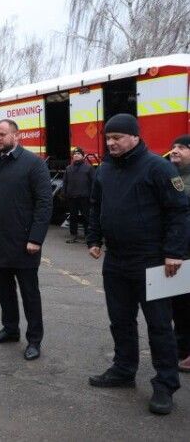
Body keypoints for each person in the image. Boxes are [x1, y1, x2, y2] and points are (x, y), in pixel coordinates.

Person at [86, 114, 187, 415]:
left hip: (154, 261)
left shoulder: (159, 168)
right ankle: (123, 369)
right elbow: (96, 205)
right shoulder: (104, 169)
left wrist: (174, 252)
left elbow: (179, 211)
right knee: (120, 320)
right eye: (108, 137)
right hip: (116, 260)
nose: (111, 143)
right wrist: (93, 238)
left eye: (117, 137)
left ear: (134, 137)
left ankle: (165, 384)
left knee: (159, 325)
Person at [0, 119, 52, 361]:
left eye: (2, 134)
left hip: (25, 243)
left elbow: (44, 204)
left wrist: (36, 238)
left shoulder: (33, 164)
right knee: (5, 291)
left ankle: (34, 339)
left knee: (29, 294)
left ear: (17, 136)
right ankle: (10, 329)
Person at [167, 134, 190, 373]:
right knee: (179, 306)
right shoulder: (171, 176)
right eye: (173, 147)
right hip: (177, 253)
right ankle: (182, 348)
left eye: (181, 147)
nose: (174, 151)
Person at [62, 147, 95, 243]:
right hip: (72, 197)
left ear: (83, 156)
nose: (76, 155)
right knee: (73, 217)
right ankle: (73, 235)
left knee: (86, 217)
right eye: (75, 154)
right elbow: (65, 182)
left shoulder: (89, 168)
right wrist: (64, 193)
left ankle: (88, 236)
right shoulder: (68, 168)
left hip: (85, 197)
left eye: (78, 154)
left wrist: (93, 196)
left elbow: (94, 183)